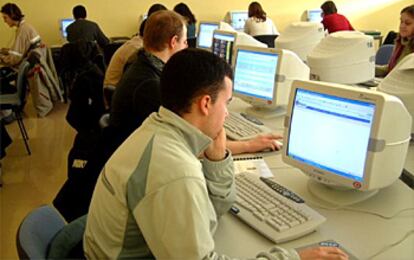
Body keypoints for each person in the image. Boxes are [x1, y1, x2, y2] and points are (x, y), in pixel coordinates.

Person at [84, 48, 348, 260]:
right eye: (227, 103)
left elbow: (214, 209)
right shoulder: (175, 172)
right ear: (206, 103)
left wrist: (218, 159)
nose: (228, 114)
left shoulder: (158, 128)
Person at [111, 10, 281, 154]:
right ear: (173, 42)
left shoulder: (141, 65)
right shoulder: (149, 85)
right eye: (185, 42)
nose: (186, 47)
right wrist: (249, 145)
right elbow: (190, 145)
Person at [376, 4, 414, 77]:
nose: (402, 26)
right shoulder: (401, 41)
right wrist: (367, 69)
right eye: (401, 22)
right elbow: (392, 69)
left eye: (407, 23)